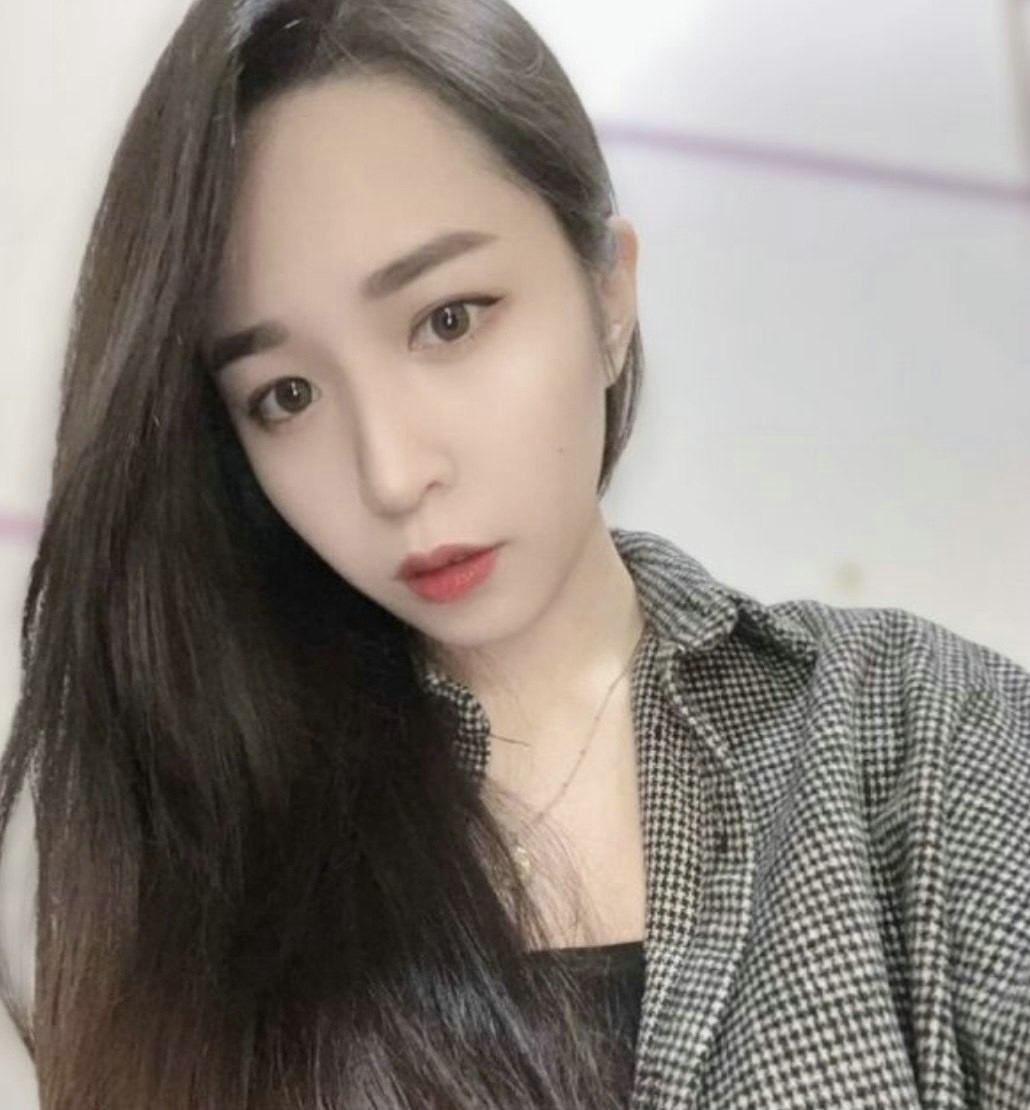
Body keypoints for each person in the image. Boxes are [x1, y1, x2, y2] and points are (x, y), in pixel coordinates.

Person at [0, 0, 1027, 1107]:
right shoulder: (196, 847)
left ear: (608, 292)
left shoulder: (919, 733)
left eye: (448, 319)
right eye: (285, 394)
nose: (393, 474)